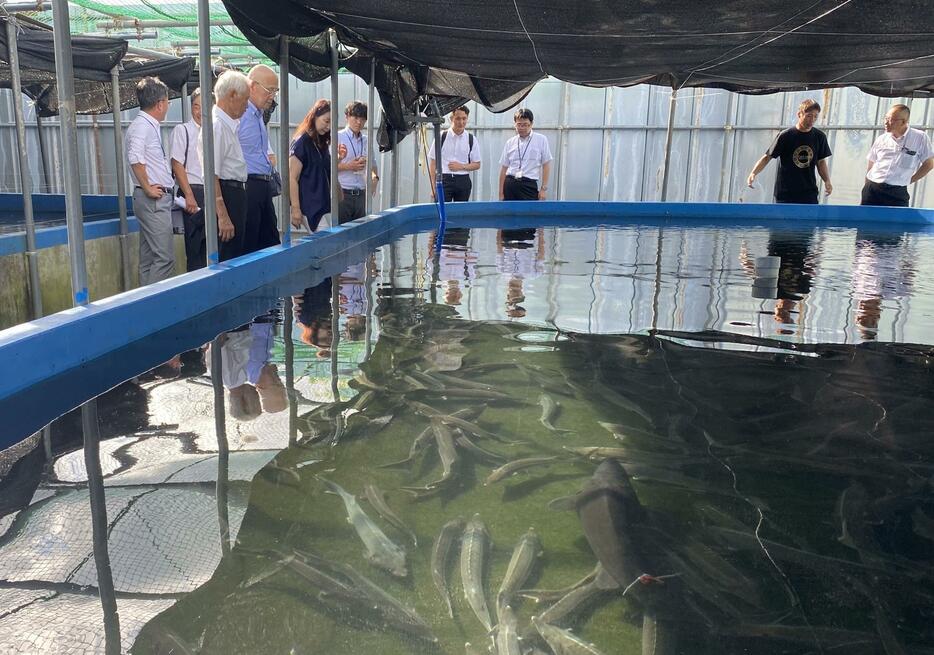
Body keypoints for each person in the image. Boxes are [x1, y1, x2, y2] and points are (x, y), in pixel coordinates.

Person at [125, 76, 175, 285]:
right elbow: (135, 158)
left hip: (152, 199)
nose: (168, 106)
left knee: (149, 258)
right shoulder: (142, 127)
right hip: (153, 200)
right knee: (164, 258)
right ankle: (155, 306)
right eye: (167, 102)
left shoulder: (146, 125)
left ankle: (143, 301)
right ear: (160, 103)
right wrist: (147, 188)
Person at [199, 70, 250, 261]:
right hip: (226, 194)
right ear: (232, 96)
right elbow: (211, 174)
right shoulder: (217, 126)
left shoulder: (228, 125)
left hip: (234, 194)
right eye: (245, 100)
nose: (246, 106)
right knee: (227, 257)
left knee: (236, 255)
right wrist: (222, 215)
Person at [746, 98, 833, 204]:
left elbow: (821, 162)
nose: (812, 120)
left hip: (809, 193)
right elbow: (767, 157)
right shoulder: (786, 136)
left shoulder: (820, 137)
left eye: (815, 116)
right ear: (799, 114)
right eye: (809, 116)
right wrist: (753, 173)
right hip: (786, 193)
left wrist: (827, 181)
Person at [239, 64, 281, 253]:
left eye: (275, 91)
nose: (272, 96)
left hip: (263, 184)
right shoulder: (240, 114)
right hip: (248, 185)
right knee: (250, 244)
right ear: (252, 86)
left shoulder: (258, 116)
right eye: (269, 90)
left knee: (270, 242)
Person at [289, 99, 347, 232]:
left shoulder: (320, 142)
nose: (328, 127)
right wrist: (296, 209)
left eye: (331, 123)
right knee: (325, 245)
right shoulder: (301, 143)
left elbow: (322, 168)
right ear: (314, 116)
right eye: (326, 121)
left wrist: (338, 159)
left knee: (325, 245)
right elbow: (292, 178)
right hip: (310, 206)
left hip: (322, 205)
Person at [861, 104, 934, 207]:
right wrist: (866, 186)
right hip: (873, 188)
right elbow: (871, 163)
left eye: (891, 119)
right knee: (866, 221)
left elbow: (929, 164)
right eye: (885, 118)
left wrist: (909, 180)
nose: (886, 122)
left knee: (897, 221)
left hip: (897, 192)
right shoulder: (882, 139)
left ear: (903, 122)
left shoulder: (919, 138)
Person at [170, 87, 206, 271]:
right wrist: (189, 195)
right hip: (193, 191)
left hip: (212, 192)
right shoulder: (182, 130)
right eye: (196, 106)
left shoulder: (214, 132)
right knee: (195, 248)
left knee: (212, 245)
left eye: (205, 106)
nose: (200, 111)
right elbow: (177, 165)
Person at [336, 101, 379, 223]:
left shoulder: (366, 140)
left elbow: (373, 165)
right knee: (342, 234)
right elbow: (328, 166)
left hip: (361, 194)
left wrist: (375, 178)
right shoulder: (338, 137)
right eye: (355, 118)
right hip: (343, 193)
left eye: (362, 119)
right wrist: (349, 166)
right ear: (347, 117)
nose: (359, 122)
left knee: (360, 234)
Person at [428, 106, 481, 202]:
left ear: (467, 118)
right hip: (444, 179)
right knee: (442, 211)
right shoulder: (441, 136)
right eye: (458, 118)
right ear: (451, 119)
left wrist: (461, 166)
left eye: (464, 118)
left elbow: (477, 164)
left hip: (463, 180)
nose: (461, 122)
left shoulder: (471, 139)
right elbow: (433, 162)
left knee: (461, 213)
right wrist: (433, 186)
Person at [498, 108, 553, 201]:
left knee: (530, 213)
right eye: (519, 125)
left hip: (529, 185)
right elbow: (504, 169)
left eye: (525, 125)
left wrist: (543, 189)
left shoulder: (541, 140)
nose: (522, 128)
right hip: (510, 184)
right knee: (509, 214)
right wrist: (500, 193)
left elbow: (546, 165)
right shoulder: (510, 142)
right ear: (515, 124)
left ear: (531, 124)